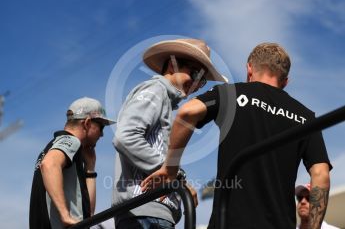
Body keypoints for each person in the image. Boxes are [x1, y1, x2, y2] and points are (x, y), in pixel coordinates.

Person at [142, 43, 332, 229]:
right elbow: (321, 174)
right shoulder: (305, 116)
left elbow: (187, 113)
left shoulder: (231, 94)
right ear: (286, 80)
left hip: (229, 222)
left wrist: (170, 169)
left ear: (249, 68)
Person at [112, 38, 228, 228]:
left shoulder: (164, 99)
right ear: (173, 65)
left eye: (203, 80)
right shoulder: (155, 90)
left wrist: (176, 177)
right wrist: (176, 177)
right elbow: (126, 137)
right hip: (146, 211)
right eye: (196, 73)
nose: (198, 84)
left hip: (149, 211)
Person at [29, 97, 115, 229]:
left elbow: (88, 215)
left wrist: (90, 168)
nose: (102, 134)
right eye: (101, 127)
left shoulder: (53, 148)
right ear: (87, 123)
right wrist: (65, 215)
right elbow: (49, 165)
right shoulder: (70, 141)